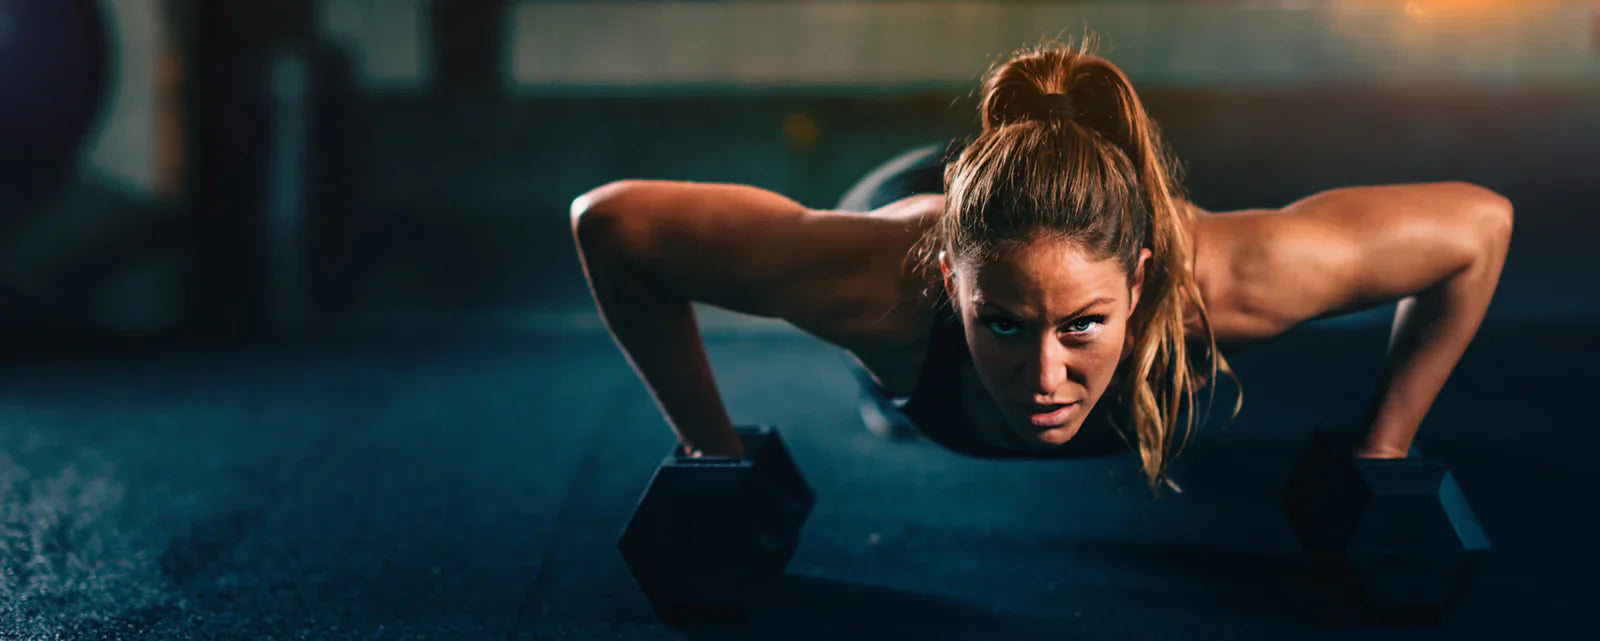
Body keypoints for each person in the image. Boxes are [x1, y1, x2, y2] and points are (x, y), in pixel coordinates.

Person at [569, 40, 1513, 491]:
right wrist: (711, 450)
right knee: (887, 367)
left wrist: (1383, 451)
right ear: (952, 289)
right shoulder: (876, 283)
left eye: (1084, 326)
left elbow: (1479, 225)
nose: (1047, 379)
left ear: (1139, 285)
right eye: (1008, 326)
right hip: (916, 205)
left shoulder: (1222, 282)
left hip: (1066, 218)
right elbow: (611, 223)